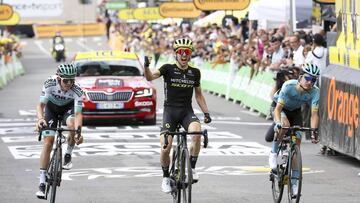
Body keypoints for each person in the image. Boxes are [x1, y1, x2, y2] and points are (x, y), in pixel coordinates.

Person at [143, 38, 212, 193]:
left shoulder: (195, 73)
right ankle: (166, 177)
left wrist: (206, 112)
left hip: (187, 112)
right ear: (176, 54)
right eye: (180, 52)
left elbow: (199, 95)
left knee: (196, 133)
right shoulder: (168, 68)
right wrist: (146, 67)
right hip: (170, 112)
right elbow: (150, 77)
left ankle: (192, 168)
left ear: (190, 55)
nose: (183, 55)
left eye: (187, 52)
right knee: (165, 146)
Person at [268, 63, 320, 197]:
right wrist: (278, 123)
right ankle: (273, 153)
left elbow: (314, 115)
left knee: (296, 147)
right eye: (308, 78)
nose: (310, 82)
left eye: (313, 80)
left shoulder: (315, 92)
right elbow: (278, 110)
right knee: (284, 125)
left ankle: (294, 183)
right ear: (301, 77)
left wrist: (314, 131)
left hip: (296, 112)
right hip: (280, 109)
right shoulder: (289, 86)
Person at [35, 63, 84, 199]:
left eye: (72, 80)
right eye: (65, 80)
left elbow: (78, 113)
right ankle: (42, 182)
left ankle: (68, 153)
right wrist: (39, 119)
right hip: (51, 109)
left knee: (72, 125)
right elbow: (40, 105)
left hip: (68, 109)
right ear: (58, 78)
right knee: (48, 142)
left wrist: (79, 131)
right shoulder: (49, 83)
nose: (69, 83)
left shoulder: (78, 90)